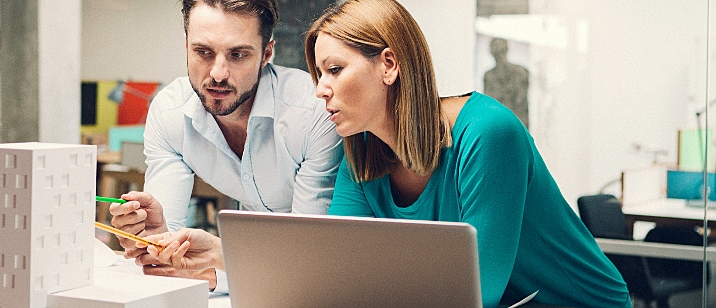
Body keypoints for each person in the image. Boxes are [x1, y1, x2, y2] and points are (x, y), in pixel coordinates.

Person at [141, 0, 632, 307]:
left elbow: (477, 293)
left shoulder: (488, 133)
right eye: (318, 75)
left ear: (389, 65)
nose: (321, 90)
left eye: (334, 70)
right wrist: (222, 254)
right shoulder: (361, 149)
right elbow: (327, 266)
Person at [108, 0, 342, 292]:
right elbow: (167, 246)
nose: (218, 73)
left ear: (266, 53)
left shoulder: (313, 112)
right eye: (203, 52)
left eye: (238, 55)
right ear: (186, 47)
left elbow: (307, 256)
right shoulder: (169, 113)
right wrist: (154, 238)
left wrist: (220, 272)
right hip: (258, 272)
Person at [483, 37, 530, 127]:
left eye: (501, 51)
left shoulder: (521, 72)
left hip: (516, 126)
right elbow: (489, 106)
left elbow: (521, 104)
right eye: (497, 52)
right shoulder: (489, 76)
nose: (499, 55)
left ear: (506, 50)